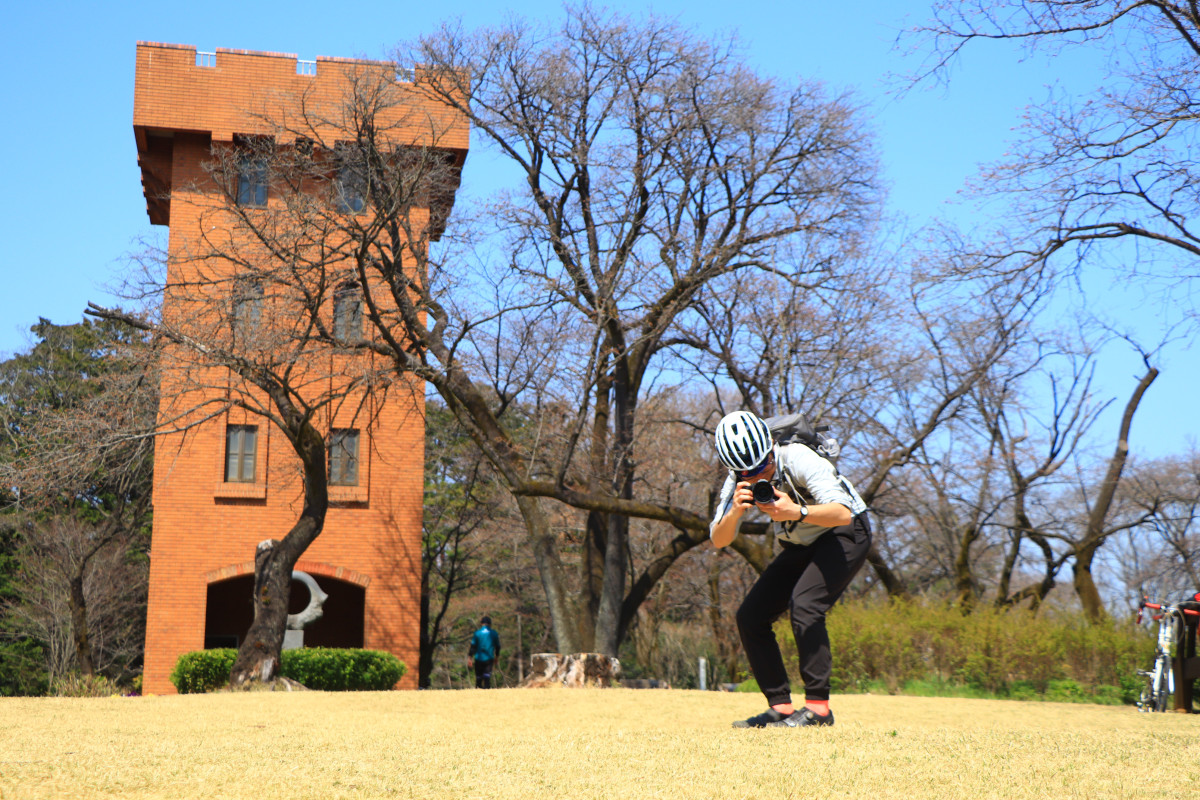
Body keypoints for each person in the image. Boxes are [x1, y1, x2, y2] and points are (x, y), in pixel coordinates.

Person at [711, 410, 871, 728]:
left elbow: (843, 513)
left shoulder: (797, 457)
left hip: (845, 534)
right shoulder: (737, 479)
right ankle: (781, 708)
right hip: (801, 543)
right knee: (751, 616)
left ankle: (818, 710)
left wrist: (794, 510)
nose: (758, 476)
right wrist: (734, 513)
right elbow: (719, 539)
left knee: (806, 604)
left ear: (771, 447)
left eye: (763, 465)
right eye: (748, 472)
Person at [468, 616, 501, 689]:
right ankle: (487, 694)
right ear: (490, 624)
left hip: (478, 658)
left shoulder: (477, 633)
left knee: (478, 678)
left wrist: (470, 658)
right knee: (487, 678)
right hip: (489, 658)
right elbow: (498, 647)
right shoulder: (494, 633)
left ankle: (478, 694)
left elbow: (473, 647)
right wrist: (497, 657)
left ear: (481, 624)